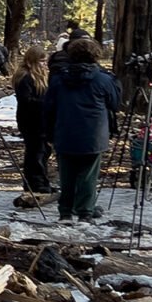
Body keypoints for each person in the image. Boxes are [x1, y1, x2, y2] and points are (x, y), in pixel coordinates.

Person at [44, 36, 120, 222]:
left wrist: (48, 131)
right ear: (95, 55)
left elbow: (48, 107)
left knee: (67, 174)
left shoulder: (59, 79)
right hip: (93, 134)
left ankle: (65, 211)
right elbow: (115, 103)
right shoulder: (103, 80)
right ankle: (85, 212)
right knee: (88, 174)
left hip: (65, 132)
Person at [13, 44, 52, 196]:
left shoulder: (40, 76)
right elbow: (26, 101)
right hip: (30, 121)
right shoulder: (25, 77)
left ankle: (42, 180)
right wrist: (46, 102)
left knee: (44, 151)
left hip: (41, 120)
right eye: (41, 61)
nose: (44, 65)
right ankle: (35, 183)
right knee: (36, 152)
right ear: (32, 61)